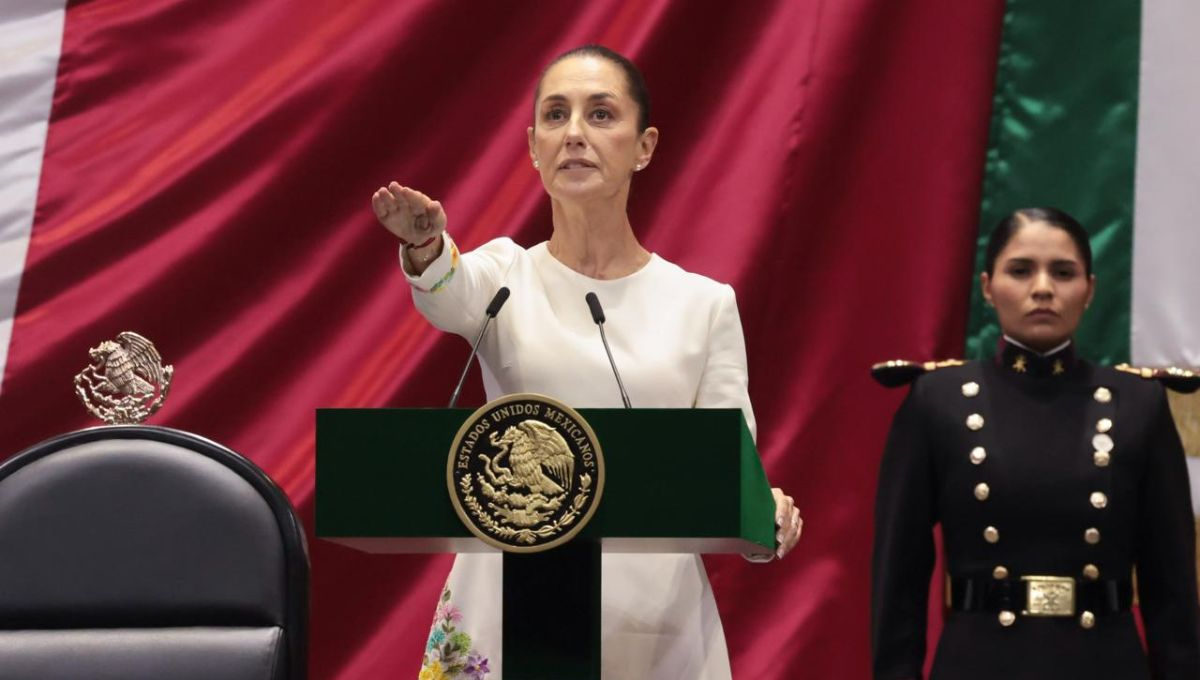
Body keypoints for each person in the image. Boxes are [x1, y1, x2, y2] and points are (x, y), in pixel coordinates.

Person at [371, 45, 802, 680]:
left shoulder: (703, 305)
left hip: (649, 623)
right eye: (555, 115)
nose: (574, 133)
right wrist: (426, 245)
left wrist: (768, 518)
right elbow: (445, 288)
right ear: (532, 146)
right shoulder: (502, 275)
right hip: (509, 608)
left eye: (601, 115)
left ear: (645, 145)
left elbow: (725, 476)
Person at [870, 207, 1200, 679]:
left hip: (1104, 663)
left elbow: (1173, 592)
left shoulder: (1139, 404)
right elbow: (897, 580)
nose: (1042, 288)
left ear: (1089, 289)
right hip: (979, 662)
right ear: (987, 287)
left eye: (1063, 273)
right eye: (1020, 270)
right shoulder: (936, 401)